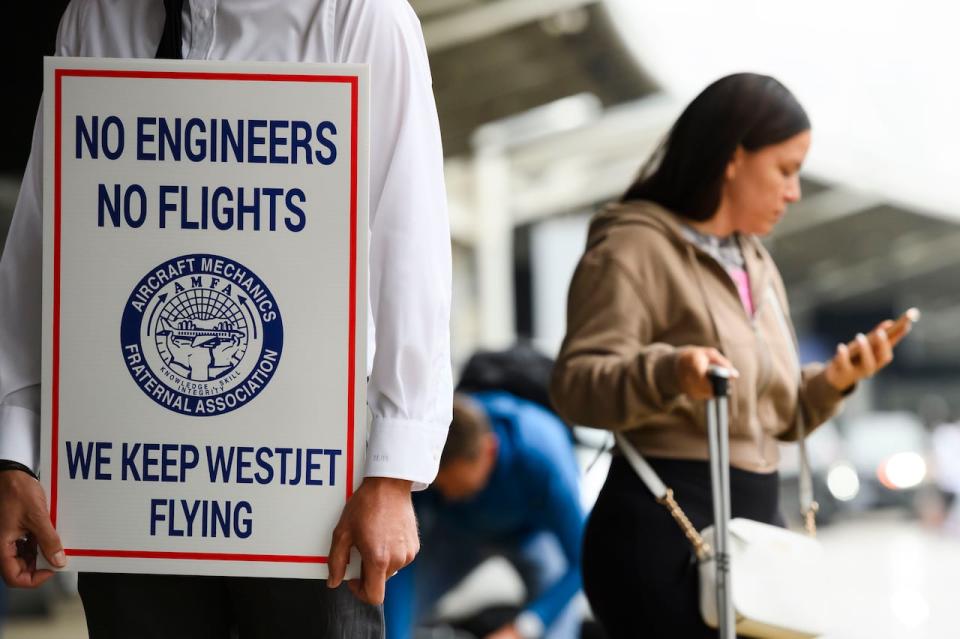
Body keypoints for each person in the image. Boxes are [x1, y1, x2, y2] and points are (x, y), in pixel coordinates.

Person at [0, 1, 452, 637]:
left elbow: (409, 246)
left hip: (313, 499)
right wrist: (16, 456)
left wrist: (393, 475)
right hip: (128, 493)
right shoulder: (95, 15)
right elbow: (45, 244)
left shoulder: (358, 14)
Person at [549, 73, 906, 638]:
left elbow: (774, 417)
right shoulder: (634, 246)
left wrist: (835, 380)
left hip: (753, 537)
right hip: (663, 533)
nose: (794, 192)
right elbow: (576, 385)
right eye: (785, 170)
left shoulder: (756, 262)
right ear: (734, 156)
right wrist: (671, 371)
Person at [384, 392, 585, 639]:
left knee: (559, 625)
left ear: (489, 450)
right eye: (442, 489)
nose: (449, 497)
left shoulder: (543, 458)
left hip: (532, 538)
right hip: (456, 535)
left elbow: (582, 560)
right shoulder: (431, 465)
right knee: (392, 614)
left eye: (460, 489)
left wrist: (523, 627)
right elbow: (403, 561)